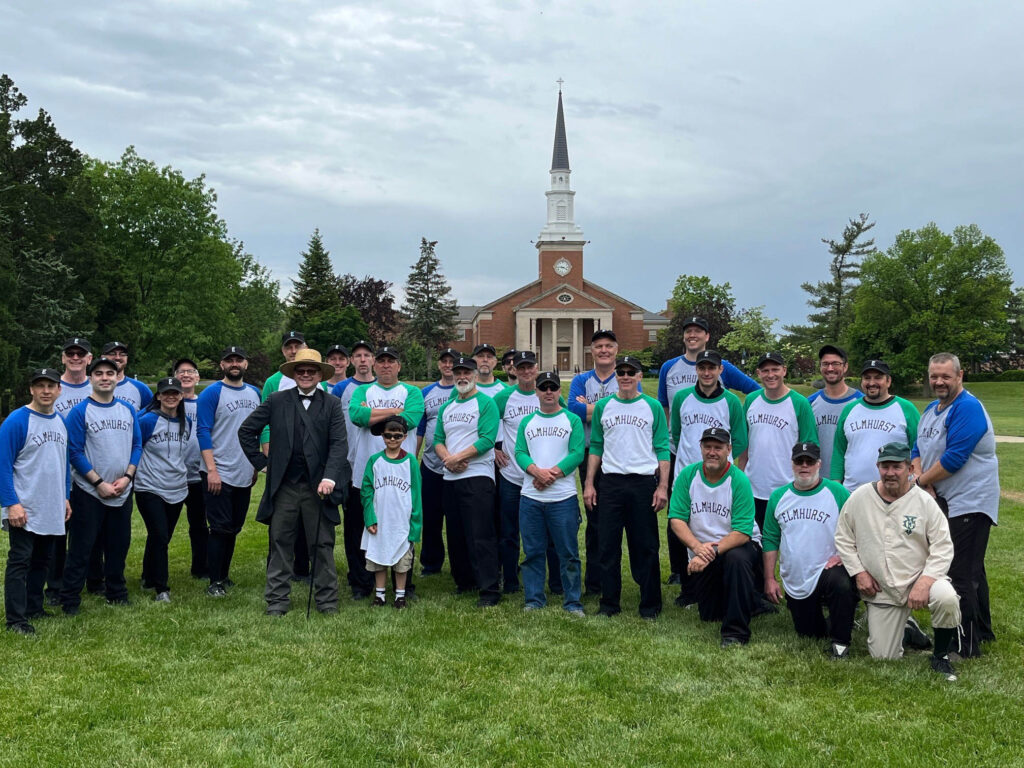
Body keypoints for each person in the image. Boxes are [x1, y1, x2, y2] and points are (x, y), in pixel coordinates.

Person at [834, 442, 961, 680]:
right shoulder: (860, 497)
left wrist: (925, 582)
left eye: (897, 467)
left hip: (921, 580)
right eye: (885, 466)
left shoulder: (924, 502)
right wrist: (859, 572)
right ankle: (907, 629)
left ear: (910, 468)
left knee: (946, 597)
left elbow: (943, 547)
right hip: (883, 589)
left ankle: (941, 656)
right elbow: (843, 537)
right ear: (877, 467)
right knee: (883, 657)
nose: (890, 472)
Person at [239, 349, 350, 616]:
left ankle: (327, 602)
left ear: (319, 375)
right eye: (300, 371)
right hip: (285, 486)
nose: (305, 375)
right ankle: (277, 601)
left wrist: (329, 477)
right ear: (294, 373)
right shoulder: (277, 400)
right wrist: (263, 463)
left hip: (318, 487)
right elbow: (246, 430)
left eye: (311, 371)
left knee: (322, 544)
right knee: (280, 542)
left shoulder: (332, 404)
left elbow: (339, 444)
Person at [912, 352, 999, 659]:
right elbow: (916, 447)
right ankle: (984, 632)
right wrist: (921, 473)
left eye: (946, 376)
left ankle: (965, 645)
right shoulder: (932, 409)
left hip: (970, 502)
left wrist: (921, 483)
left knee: (960, 572)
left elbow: (954, 458)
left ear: (960, 376)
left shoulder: (968, 407)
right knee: (973, 568)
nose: (939, 382)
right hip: (945, 501)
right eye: (934, 376)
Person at [583, 355, 668, 620]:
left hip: (642, 482)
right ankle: (609, 603)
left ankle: (650, 604)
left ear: (640, 376)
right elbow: (596, 445)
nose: (626, 376)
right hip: (611, 483)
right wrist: (588, 483)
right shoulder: (604, 407)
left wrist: (663, 486)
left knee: (645, 545)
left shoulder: (652, 407)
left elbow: (663, 447)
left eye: (632, 372)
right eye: (622, 372)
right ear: (616, 376)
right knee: (607, 545)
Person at [61, 356, 142, 614]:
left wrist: (127, 477)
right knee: (81, 548)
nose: (105, 377)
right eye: (99, 374)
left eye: (110, 373)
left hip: (122, 490)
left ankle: (116, 591)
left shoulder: (127, 410)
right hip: (89, 492)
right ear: (91, 378)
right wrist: (98, 483)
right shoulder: (80, 411)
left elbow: (137, 445)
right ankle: (70, 598)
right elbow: (74, 452)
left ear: (118, 377)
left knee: (119, 545)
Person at [762, 442, 856, 658]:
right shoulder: (778, 497)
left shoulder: (838, 492)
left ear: (819, 464)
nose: (804, 465)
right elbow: (770, 539)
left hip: (829, 568)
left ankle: (840, 644)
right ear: (792, 464)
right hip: (797, 575)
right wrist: (769, 578)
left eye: (810, 461)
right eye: (799, 461)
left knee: (840, 583)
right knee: (809, 633)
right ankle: (831, 618)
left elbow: (858, 529)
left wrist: (845, 556)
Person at [668, 428, 761, 647]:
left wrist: (710, 551)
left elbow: (742, 532)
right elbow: (676, 520)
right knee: (709, 614)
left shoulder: (739, 480)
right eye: (707, 447)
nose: (712, 452)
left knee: (736, 559)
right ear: (700, 448)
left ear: (729, 450)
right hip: (704, 552)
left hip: (738, 546)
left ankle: (736, 634)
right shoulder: (688, 475)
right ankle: (754, 602)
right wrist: (698, 549)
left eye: (718, 448)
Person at [348, 346, 424, 599]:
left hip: (401, 474)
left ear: (399, 366)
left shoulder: (411, 392)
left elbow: (411, 418)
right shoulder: (363, 390)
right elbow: (357, 415)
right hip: (366, 472)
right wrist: (395, 413)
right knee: (363, 527)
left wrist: (374, 415)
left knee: (401, 527)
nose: (386, 366)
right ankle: (363, 584)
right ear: (374, 365)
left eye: (391, 361)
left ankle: (404, 587)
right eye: (381, 362)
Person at [1, 368, 71, 634]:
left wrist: (65, 496)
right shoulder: (17, 420)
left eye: (50, 386)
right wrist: (11, 503)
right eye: (40, 386)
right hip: (24, 504)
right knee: (20, 560)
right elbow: (3, 464)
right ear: (31, 389)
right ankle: (16, 619)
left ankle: (34, 607)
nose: (45, 391)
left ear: (59, 390)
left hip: (50, 503)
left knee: (43, 559)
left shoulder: (60, 421)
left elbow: (63, 464)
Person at [514, 371, 585, 615]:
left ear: (559, 391)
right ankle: (534, 599)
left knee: (568, 553)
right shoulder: (527, 422)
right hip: (531, 498)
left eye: (552, 387)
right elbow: (520, 452)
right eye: (543, 387)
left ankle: (573, 601)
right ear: (536, 391)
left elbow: (577, 453)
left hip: (562, 498)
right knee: (532, 552)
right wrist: (536, 472)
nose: (548, 392)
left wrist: (550, 474)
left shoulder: (571, 420)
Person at [568, 329, 632, 597]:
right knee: (594, 520)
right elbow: (574, 409)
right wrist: (611, 405)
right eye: (598, 347)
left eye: (608, 346)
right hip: (588, 456)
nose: (603, 350)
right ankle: (594, 582)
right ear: (591, 351)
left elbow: (630, 405)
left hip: (620, 457)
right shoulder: (581, 380)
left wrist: (593, 408)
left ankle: (615, 579)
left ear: (616, 349)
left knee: (620, 521)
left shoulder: (627, 376)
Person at [434, 356, 501, 607]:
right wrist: (449, 460)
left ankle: (489, 588)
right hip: (451, 477)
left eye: (467, 373)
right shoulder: (447, 406)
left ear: (474, 375)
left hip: (477, 478)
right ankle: (464, 582)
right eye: (458, 372)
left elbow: (486, 440)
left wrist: (458, 458)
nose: (462, 376)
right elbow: (438, 439)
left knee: (480, 534)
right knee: (456, 533)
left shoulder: (485, 403)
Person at [196, 346, 261, 597]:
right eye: (229, 360)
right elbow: (202, 431)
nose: (234, 364)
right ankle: (214, 582)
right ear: (222, 365)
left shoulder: (254, 393)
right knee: (220, 527)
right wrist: (211, 470)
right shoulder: (212, 393)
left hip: (243, 470)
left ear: (246, 364)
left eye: (239, 360)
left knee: (234, 526)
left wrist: (254, 465)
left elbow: (256, 431)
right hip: (218, 470)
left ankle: (224, 574)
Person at [260, 330, 322, 582]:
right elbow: (264, 422)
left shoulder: (318, 380)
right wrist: (267, 449)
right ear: (284, 351)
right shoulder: (274, 382)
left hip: (311, 461)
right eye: (289, 346)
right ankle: (276, 567)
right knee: (281, 516)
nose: (293, 350)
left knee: (308, 514)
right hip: (282, 457)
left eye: (298, 345)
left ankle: (303, 566)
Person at [736, 352, 817, 531]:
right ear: (758, 373)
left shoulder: (799, 403)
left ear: (784, 371)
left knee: (789, 544)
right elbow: (744, 443)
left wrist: (805, 483)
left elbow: (811, 446)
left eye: (775, 369)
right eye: (765, 370)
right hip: (754, 487)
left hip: (787, 487)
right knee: (754, 543)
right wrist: (740, 475)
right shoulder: (751, 400)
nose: (770, 374)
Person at [46, 337, 93, 606]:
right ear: (63, 358)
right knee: (57, 534)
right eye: (70, 353)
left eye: (81, 354)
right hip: (58, 471)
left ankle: (89, 580)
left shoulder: (96, 385)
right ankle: (54, 587)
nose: (75, 357)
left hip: (89, 473)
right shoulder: (52, 387)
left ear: (89, 358)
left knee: (87, 533)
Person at [135, 377, 191, 603]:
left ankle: (148, 576)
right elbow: (134, 446)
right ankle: (162, 588)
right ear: (158, 396)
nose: (170, 396)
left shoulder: (184, 421)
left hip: (177, 486)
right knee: (159, 534)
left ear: (181, 396)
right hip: (149, 486)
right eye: (165, 393)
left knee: (162, 536)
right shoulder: (147, 420)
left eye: (175, 393)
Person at [361, 416, 422, 609]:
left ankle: (400, 595)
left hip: (401, 521)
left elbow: (416, 494)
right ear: (382, 436)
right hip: (379, 519)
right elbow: (366, 491)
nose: (392, 440)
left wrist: (415, 524)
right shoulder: (375, 461)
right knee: (378, 557)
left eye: (397, 436)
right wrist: (369, 517)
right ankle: (380, 595)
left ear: (404, 437)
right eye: (388, 435)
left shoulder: (410, 461)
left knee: (402, 560)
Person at [832, 359, 919, 490]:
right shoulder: (849, 409)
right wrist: (836, 485)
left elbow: (918, 449)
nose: (872, 383)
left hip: (894, 492)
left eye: (878, 378)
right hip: (852, 492)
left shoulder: (906, 408)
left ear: (888, 381)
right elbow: (839, 451)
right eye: (867, 378)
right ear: (862, 382)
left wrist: (915, 479)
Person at [669, 350, 748, 474]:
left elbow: (740, 440)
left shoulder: (732, 401)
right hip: (686, 473)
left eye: (711, 368)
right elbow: (677, 434)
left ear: (720, 369)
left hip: (719, 475)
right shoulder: (681, 397)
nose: (706, 373)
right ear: (696, 369)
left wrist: (719, 459)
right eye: (702, 368)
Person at [417, 348, 457, 575]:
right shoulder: (427, 392)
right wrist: (413, 456)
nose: (448, 365)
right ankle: (431, 563)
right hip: (431, 464)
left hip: (459, 466)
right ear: (439, 365)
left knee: (456, 518)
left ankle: (459, 563)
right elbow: (421, 427)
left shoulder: (466, 390)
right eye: (445, 361)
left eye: (453, 362)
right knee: (431, 518)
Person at [173, 357, 208, 579]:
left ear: (197, 377)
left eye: (190, 372)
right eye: (181, 372)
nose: (186, 375)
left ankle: (201, 568)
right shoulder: (168, 402)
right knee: (163, 529)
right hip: (173, 475)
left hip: (199, 474)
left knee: (200, 525)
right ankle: (153, 572)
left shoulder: (204, 402)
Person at [807, 345, 862, 478]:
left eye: (835, 364)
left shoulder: (860, 402)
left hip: (850, 482)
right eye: (825, 364)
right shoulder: (809, 403)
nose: (830, 368)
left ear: (845, 367)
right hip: (817, 481)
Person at [102, 341, 153, 411]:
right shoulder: (92, 386)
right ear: (103, 357)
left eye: (122, 354)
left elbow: (152, 416)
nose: (117, 357)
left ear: (127, 358)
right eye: (112, 354)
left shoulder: (141, 388)